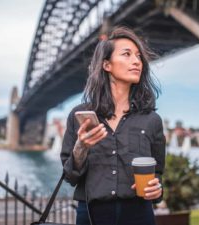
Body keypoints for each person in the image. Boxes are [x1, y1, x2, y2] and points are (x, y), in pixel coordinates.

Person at [60, 26, 166, 225]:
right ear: (106, 64)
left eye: (138, 56)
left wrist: (157, 189)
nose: (137, 61)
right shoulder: (79, 116)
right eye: (127, 54)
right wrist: (81, 146)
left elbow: (157, 173)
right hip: (92, 215)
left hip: (139, 214)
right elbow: (70, 176)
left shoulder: (151, 120)